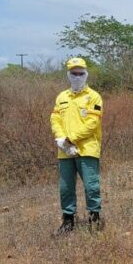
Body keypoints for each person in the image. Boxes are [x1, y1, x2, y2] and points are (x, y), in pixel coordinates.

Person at [50, 57, 104, 235]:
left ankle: (94, 218)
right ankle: (68, 221)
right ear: (68, 75)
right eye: (74, 73)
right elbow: (55, 118)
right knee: (65, 188)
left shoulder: (93, 96)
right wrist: (60, 138)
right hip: (65, 151)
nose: (78, 76)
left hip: (87, 149)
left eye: (81, 73)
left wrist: (71, 139)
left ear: (86, 74)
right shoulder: (62, 97)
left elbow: (92, 123)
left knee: (91, 186)